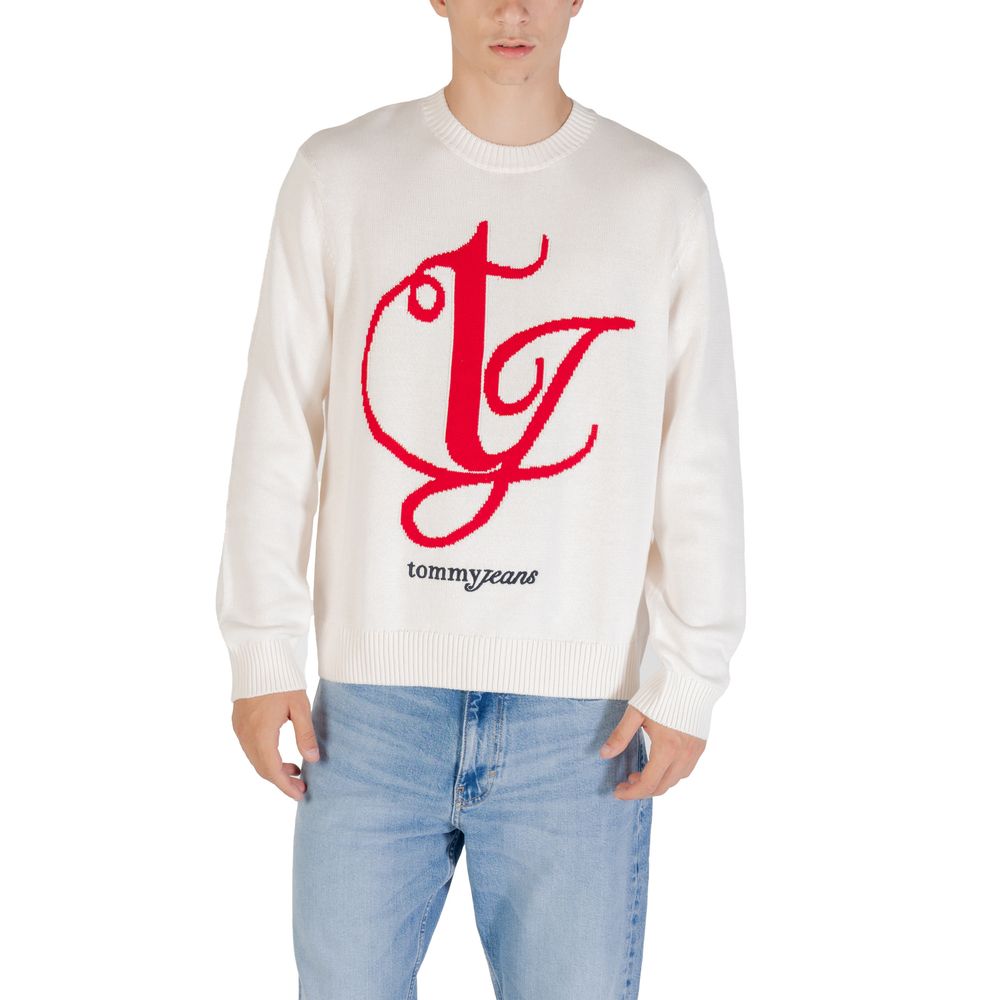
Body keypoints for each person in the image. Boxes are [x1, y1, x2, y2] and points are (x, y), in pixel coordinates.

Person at [215, 1, 746, 996]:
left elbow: (698, 455)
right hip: (369, 713)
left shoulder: (656, 195)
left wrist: (690, 675)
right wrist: (261, 649)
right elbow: (280, 420)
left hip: (580, 725)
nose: (513, 9)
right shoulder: (340, 175)